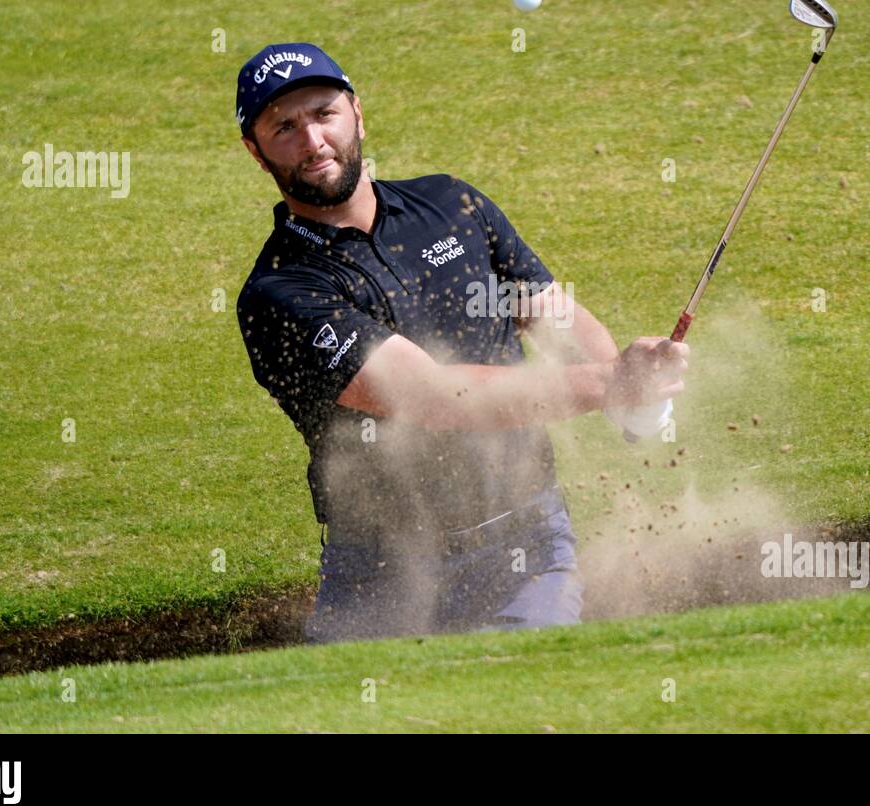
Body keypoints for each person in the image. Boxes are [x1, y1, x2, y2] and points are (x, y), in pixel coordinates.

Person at [234, 42, 689, 643]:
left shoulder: (453, 204)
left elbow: (554, 318)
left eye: (324, 113)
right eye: (284, 127)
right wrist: (608, 385)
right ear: (256, 152)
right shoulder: (279, 291)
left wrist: (633, 391)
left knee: (521, 702)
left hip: (524, 549)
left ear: (358, 113)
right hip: (379, 572)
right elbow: (431, 397)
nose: (313, 140)